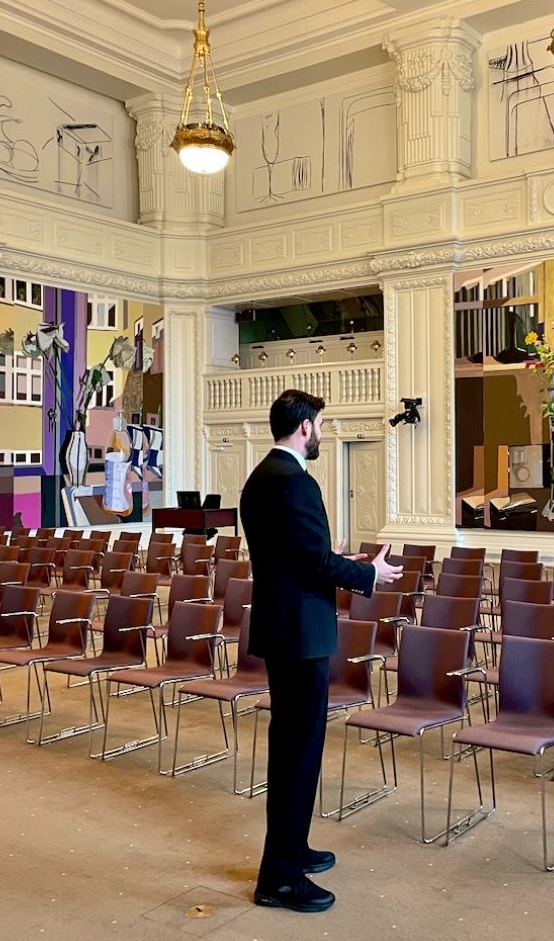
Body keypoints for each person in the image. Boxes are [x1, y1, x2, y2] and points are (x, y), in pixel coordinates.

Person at [240, 389, 403, 914]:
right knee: (297, 751)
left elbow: (296, 555)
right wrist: (369, 573)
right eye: (321, 427)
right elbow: (310, 563)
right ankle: (279, 877)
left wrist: (340, 558)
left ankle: (293, 849)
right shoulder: (296, 481)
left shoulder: (261, 476)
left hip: (283, 627)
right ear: (306, 426)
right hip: (300, 635)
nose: (322, 436)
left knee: (295, 747)